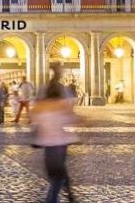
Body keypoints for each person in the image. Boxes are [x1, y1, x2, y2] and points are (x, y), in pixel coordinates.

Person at [33, 63, 80, 202]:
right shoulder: (62, 90)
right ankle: (66, 193)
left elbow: (34, 113)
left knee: (57, 172)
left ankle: (66, 193)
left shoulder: (44, 89)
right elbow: (70, 113)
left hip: (48, 140)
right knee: (59, 172)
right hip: (59, 141)